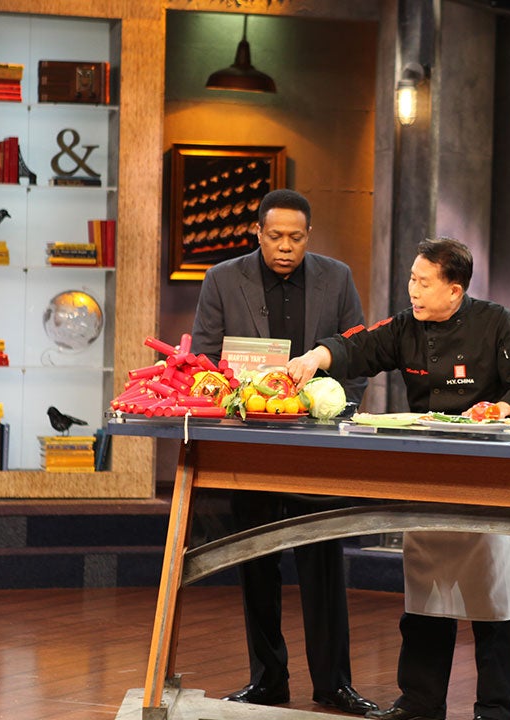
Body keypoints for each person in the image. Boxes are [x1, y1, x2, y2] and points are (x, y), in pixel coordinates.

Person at [287, 237, 510, 720]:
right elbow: (358, 345)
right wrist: (314, 359)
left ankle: (494, 709)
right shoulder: (405, 328)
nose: (413, 289)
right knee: (426, 596)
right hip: (428, 475)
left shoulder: (496, 323)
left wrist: (504, 407)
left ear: (455, 291)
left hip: (489, 476)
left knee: (492, 601)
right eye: (412, 278)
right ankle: (420, 703)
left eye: (423, 282)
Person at [190, 188, 377, 716]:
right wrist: (235, 400)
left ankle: (334, 684)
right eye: (275, 237)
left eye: (296, 238)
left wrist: (336, 411)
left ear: (309, 236)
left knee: (323, 561)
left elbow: (357, 354)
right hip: (251, 445)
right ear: (257, 232)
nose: (286, 247)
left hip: (315, 447)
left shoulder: (336, 277)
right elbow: (204, 359)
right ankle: (268, 679)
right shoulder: (224, 279)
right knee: (258, 564)